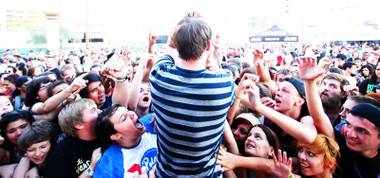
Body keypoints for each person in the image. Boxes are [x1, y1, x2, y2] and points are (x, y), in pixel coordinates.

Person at [150, 15, 236, 177]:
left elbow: (167, 53)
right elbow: (214, 69)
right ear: (208, 46)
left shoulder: (158, 77)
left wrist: (176, 36)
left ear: (176, 44)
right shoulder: (224, 85)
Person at [93, 105, 157, 177]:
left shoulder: (151, 122)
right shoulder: (109, 166)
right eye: (124, 118)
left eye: (127, 110)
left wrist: (162, 116)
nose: (132, 113)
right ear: (116, 136)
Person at [44, 99, 101, 178]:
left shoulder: (106, 133)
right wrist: (91, 168)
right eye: (93, 110)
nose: (100, 112)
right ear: (78, 124)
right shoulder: (62, 153)